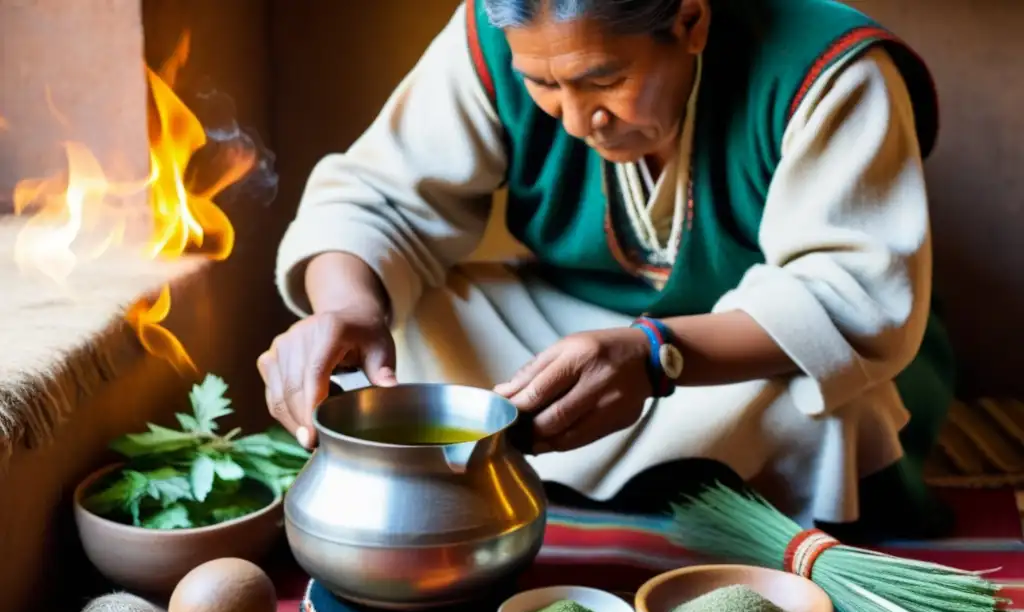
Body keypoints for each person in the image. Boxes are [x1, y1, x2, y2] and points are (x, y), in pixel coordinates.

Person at [261, 0, 956, 536]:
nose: (573, 121)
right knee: (406, 324)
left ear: (690, 19)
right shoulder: (491, 31)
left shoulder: (831, 68)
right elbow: (376, 200)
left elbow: (850, 298)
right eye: (541, 84)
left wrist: (656, 355)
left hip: (738, 358)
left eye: (604, 79)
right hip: (565, 324)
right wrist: (346, 310)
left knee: (829, 406)